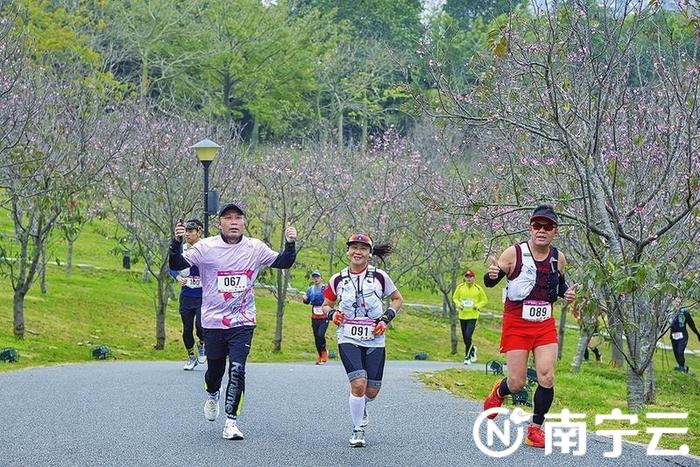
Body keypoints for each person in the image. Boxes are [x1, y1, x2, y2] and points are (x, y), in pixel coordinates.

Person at [169, 203, 297, 440]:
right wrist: (176, 243)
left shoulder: (255, 247)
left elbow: (283, 262)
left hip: (243, 320)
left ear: (244, 222)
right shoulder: (206, 247)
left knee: (237, 370)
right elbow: (177, 265)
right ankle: (212, 392)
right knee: (214, 372)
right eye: (228, 218)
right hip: (213, 321)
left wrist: (290, 244)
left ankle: (231, 422)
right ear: (220, 224)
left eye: (238, 217)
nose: (234, 222)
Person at [481, 205, 575, 449]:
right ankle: (499, 393)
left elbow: (559, 286)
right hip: (517, 322)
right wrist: (492, 275)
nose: (541, 231)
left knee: (547, 375)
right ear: (530, 228)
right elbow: (491, 281)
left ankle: (535, 428)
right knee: (517, 382)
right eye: (537, 225)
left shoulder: (558, 258)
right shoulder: (514, 254)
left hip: (544, 323)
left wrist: (568, 294)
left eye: (548, 226)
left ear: (555, 231)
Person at [323, 233, 403, 448]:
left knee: (371, 391)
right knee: (358, 384)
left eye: (363, 248)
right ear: (348, 251)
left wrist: (386, 319)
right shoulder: (337, 279)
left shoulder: (380, 277)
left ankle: (360, 405)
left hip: (375, 338)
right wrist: (332, 315)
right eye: (354, 248)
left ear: (369, 253)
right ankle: (358, 430)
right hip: (347, 336)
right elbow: (326, 304)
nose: (358, 252)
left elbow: (397, 299)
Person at [170, 219, 206, 370]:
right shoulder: (181, 249)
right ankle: (191, 357)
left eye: (191, 231)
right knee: (187, 329)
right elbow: (171, 266)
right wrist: (177, 277)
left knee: (201, 326)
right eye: (186, 232)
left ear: (199, 232)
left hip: (203, 294)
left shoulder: (207, 248)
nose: (188, 234)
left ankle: (202, 344)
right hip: (187, 294)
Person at [452, 269, 488, 365]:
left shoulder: (478, 289)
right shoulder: (460, 287)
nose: (469, 279)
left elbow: (484, 300)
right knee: (465, 338)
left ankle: (467, 357)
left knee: (468, 335)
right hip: (463, 315)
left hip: (473, 315)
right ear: (465, 278)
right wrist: (458, 304)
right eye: (467, 277)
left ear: (474, 278)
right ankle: (472, 349)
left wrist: (478, 306)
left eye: (470, 277)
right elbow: (455, 298)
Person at [302, 270, 329, 365]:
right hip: (315, 316)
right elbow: (307, 301)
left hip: (324, 315)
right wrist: (304, 299)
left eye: (317, 277)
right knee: (316, 336)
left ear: (321, 278)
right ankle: (320, 355)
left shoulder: (325, 288)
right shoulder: (310, 289)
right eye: (314, 277)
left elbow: (331, 299)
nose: (315, 279)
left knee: (321, 334)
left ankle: (324, 353)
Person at [669, 304, 700, 373]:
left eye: (679, 299)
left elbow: (692, 325)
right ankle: (683, 367)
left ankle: (682, 368)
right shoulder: (669, 312)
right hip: (673, 337)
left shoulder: (685, 313)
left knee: (680, 351)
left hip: (683, 337)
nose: (677, 302)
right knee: (676, 353)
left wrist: (697, 334)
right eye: (675, 300)